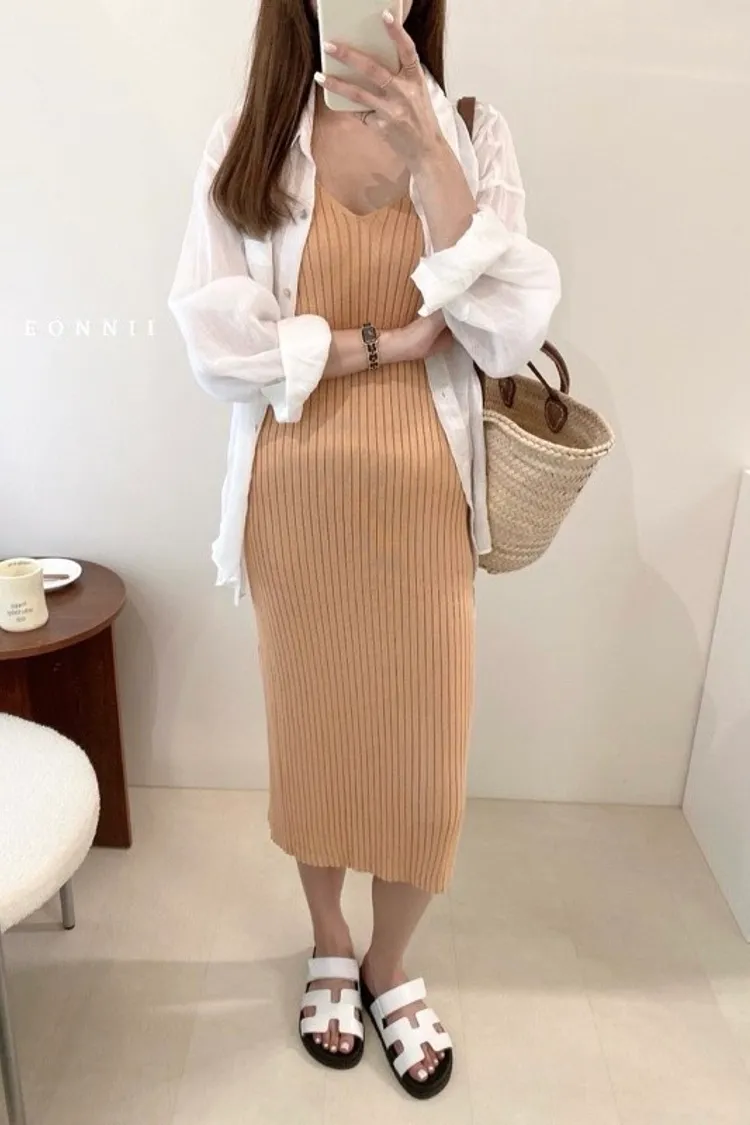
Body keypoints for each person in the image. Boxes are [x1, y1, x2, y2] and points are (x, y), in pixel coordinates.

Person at [169, 0, 560, 1100]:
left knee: (424, 757)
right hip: (296, 505)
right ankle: (330, 941)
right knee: (321, 741)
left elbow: (506, 330)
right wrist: (379, 343)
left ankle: (389, 964)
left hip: (424, 507)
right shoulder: (250, 137)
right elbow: (215, 340)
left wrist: (430, 154)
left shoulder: (471, 133)